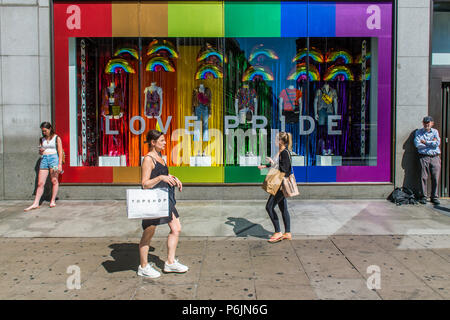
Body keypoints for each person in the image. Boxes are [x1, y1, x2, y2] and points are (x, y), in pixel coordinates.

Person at [138, 129, 188, 278]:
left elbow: (163, 175)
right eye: (162, 141)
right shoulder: (148, 159)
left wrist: (173, 178)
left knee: (176, 228)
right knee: (149, 232)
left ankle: (170, 263)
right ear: (153, 143)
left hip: (166, 198)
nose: (165, 143)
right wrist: (161, 177)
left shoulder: (160, 156)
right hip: (153, 201)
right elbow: (145, 184)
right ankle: (143, 266)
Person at [258, 132, 293, 243]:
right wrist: (266, 165)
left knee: (269, 207)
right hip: (280, 183)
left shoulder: (284, 153)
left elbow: (284, 170)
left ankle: (278, 232)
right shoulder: (281, 152)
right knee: (283, 208)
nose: (275, 141)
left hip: (280, 185)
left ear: (281, 141)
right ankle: (287, 233)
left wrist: (273, 164)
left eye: (276, 139)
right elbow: (278, 165)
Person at [24, 122, 63, 211]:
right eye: (42, 131)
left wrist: (59, 164)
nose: (44, 132)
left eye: (45, 130)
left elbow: (60, 151)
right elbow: (40, 152)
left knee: (54, 180)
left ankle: (52, 200)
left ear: (50, 129)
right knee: (40, 183)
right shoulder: (42, 139)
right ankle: (36, 203)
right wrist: (41, 151)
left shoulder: (57, 138)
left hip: (54, 159)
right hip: (44, 159)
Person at [414, 116, 441, 205]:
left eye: (428, 122)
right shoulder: (418, 132)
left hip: (435, 157)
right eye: (425, 122)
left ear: (432, 123)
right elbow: (417, 144)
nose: (427, 124)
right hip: (423, 157)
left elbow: (437, 143)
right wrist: (431, 143)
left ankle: (434, 197)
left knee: (435, 177)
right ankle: (423, 196)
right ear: (423, 123)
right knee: (423, 177)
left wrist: (425, 142)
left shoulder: (435, 131)